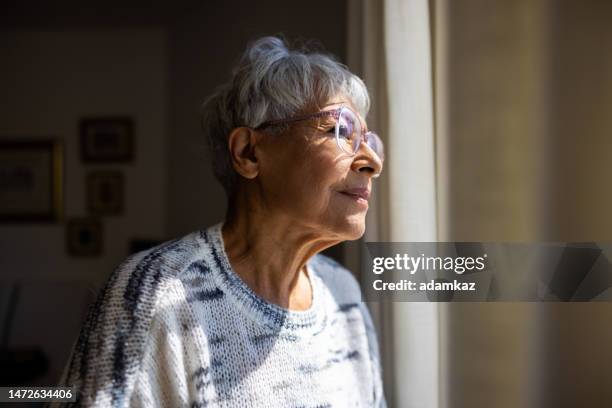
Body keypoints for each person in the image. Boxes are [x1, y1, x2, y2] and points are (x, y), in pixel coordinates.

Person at [56, 36, 386, 407]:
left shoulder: (343, 293)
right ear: (248, 152)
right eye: (339, 131)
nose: (372, 161)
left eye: (370, 141)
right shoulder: (156, 291)